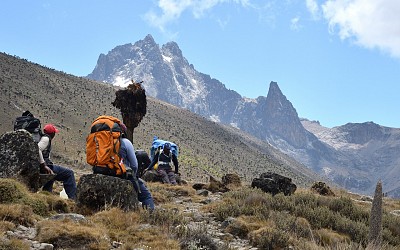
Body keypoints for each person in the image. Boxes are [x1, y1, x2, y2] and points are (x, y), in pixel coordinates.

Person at [119, 124, 155, 210]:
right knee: (146, 196)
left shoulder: (103, 142)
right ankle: (150, 216)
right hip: (121, 173)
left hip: (102, 170)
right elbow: (134, 165)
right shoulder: (126, 142)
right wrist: (134, 176)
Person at [38, 124, 77, 200]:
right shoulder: (46, 139)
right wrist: (43, 164)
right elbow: (37, 148)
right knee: (69, 173)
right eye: (54, 133)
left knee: (51, 176)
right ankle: (73, 199)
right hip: (46, 166)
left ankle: (47, 196)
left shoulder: (42, 138)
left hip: (45, 166)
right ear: (52, 134)